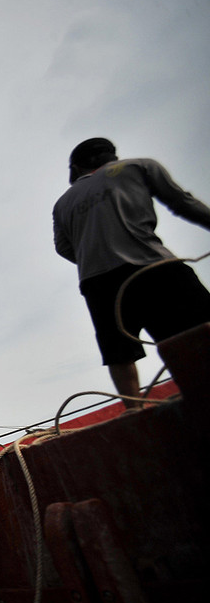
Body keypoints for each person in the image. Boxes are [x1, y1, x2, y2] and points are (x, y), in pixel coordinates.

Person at [53, 138, 210, 405]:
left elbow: (63, 247)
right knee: (197, 328)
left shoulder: (63, 202)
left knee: (119, 353)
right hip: (152, 265)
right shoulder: (137, 166)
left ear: (77, 168)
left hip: (98, 283)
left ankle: (133, 410)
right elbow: (183, 203)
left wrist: (94, 258)